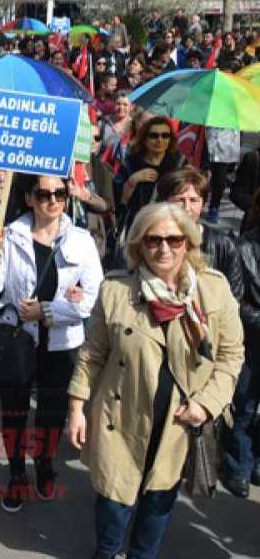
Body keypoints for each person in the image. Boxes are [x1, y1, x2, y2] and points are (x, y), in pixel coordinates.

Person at [66, 203, 244, 559]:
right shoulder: (116, 291)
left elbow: (231, 356)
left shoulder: (213, 290)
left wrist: (206, 404)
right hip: (121, 420)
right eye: (153, 240)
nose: (164, 248)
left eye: (174, 240)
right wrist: (76, 408)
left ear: (188, 243)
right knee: (113, 509)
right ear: (139, 245)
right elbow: (92, 353)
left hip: (177, 425)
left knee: (157, 508)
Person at [0, 174, 104, 512]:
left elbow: (94, 299)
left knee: (51, 413)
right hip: (18, 338)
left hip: (62, 344)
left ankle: (45, 465)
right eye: (44, 194)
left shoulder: (81, 240)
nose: (53, 201)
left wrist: (49, 310)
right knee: (15, 413)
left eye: (60, 194)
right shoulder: (9, 234)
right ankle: (17, 474)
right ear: (30, 198)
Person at [155, 168, 242, 300]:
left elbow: (235, 294)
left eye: (194, 200)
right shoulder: (150, 241)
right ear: (164, 202)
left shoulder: (224, 244)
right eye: (180, 200)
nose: (186, 207)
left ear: (203, 204)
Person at [229, 190, 260, 497]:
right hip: (251, 341)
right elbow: (237, 301)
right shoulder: (245, 247)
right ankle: (239, 464)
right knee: (245, 406)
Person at [115, 116, 186, 235]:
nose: (160, 140)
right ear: (144, 139)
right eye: (154, 135)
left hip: (169, 224)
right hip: (138, 225)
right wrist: (133, 180)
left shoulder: (178, 164)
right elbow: (120, 202)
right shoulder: (130, 163)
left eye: (165, 136)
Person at [203, 127, 241, 224]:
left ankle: (214, 207)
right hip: (208, 153)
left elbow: (237, 141)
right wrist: (206, 164)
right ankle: (198, 203)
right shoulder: (210, 116)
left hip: (225, 156)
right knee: (202, 182)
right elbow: (202, 137)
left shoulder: (234, 120)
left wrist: (232, 165)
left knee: (219, 183)